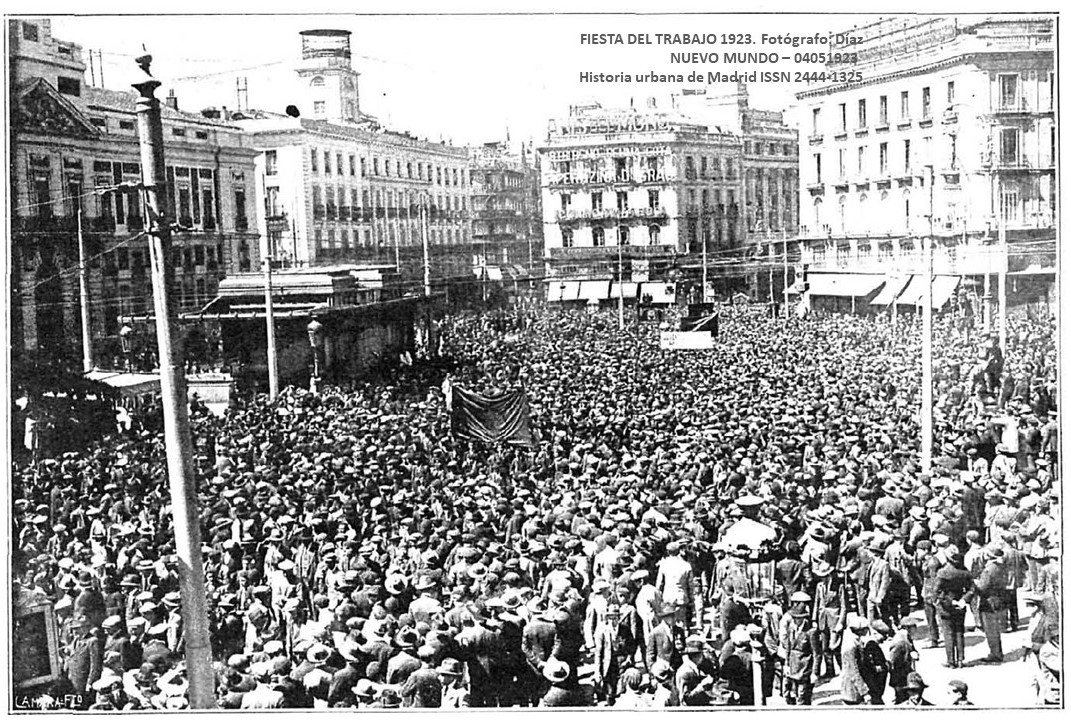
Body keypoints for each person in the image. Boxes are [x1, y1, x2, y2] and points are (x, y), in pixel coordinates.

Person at [934, 547, 972, 668]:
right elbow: (972, 589)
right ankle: (961, 659)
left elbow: (936, 590)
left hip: (946, 605)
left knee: (948, 633)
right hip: (960, 604)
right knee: (959, 632)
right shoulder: (965, 572)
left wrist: (948, 601)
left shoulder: (943, 572)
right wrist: (963, 600)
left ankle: (951, 661)